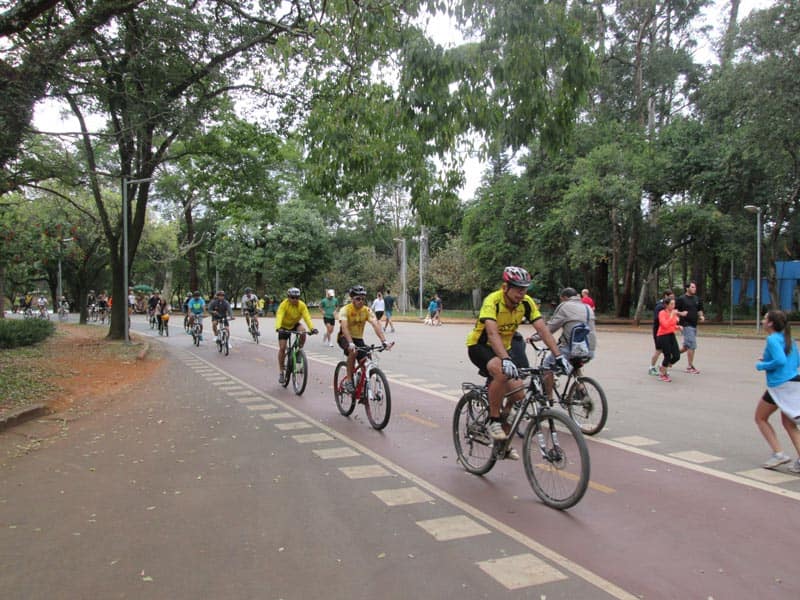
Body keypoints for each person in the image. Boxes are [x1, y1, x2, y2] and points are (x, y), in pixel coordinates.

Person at [466, 267, 567, 454]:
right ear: (505, 287)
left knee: (518, 394)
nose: (522, 294)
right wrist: (505, 359)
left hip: (504, 349)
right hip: (480, 346)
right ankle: (494, 420)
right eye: (518, 289)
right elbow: (492, 333)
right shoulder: (492, 301)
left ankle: (501, 446)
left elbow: (543, 329)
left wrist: (558, 355)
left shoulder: (526, 303)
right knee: (501, 372)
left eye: (525, 289)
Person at [754, 310, 800, 472]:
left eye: (765, 318)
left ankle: (778, 454)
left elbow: (780, 360)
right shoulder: (789, 338)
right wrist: (768, 359)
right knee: (789, 423)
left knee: (760, 417)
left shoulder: (772, 339)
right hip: (793, 382)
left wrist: (762, 365)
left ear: (771, 323)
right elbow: (797, 361)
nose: (762, 321)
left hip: (780, 385)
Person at [538, 287, 597, 400]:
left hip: (573, 349)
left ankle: (549, 398)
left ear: (564, 297)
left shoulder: (564, 306)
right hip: (589, 350)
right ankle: (581, 391)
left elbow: (551, 327)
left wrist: (535, 337)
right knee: (575, 364)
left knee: (547, 365)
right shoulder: (587, 307)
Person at [337, 285, 390, 393]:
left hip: (358, 339)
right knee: (353, 352)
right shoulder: (345, 310)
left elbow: (375, 324)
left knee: (367, 356)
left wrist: (384, 341)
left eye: (363, 299)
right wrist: (350, 342)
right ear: (352, 299)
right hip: (345, 337)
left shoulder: (366, 310)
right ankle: (349, 380)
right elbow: (344, 327)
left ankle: (361, 381)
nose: (361, 301)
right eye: (358, 299)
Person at [275, 288, 317, 384]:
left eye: (297, 297)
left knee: (303, 331)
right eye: (292, 297)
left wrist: (312, 328)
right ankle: (281, 372)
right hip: (283, 326)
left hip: (294, 324)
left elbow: (307, 317)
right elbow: (279, 315)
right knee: (282, 348)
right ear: (288, 297)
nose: (295, 299)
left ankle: (298, 351)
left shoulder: (301, 305)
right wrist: (278, 327)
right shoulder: (284, 304)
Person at [676, 280, 705, 374]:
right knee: (692, 345)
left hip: (694, 325)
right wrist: (681, 314)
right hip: (685, 325)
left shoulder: (697, 299)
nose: (694, 289)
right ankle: (690, 367)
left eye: (695, 287)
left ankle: (670, 358)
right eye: (692, 287)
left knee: (686, 347)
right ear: (687, 288)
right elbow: (674, 311)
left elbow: (699, 310)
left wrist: (701, 316)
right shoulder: (681, 299)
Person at [655, 296, 682, 382]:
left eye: (674, 304)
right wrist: (672, 315)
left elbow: (672, 325)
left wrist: (678, 327)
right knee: (667, 355)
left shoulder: (672, 313)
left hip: (671, 334)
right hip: (662, 335)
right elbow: (665, 325)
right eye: (671, 304)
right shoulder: (662, 313)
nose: (673, 306)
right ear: (666, 305)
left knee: (677, 356)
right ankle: (662, 375)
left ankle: (663, 366)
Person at [649, 289, 675, 376]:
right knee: (659, 350)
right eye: (670, 297)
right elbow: (658, 320)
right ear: (665, 296)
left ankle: (662, 367)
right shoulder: (660, 306)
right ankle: (652, 367)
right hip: (659, 332)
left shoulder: (667, 306)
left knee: (667, 351)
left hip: (666, 332)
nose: (672, 299)